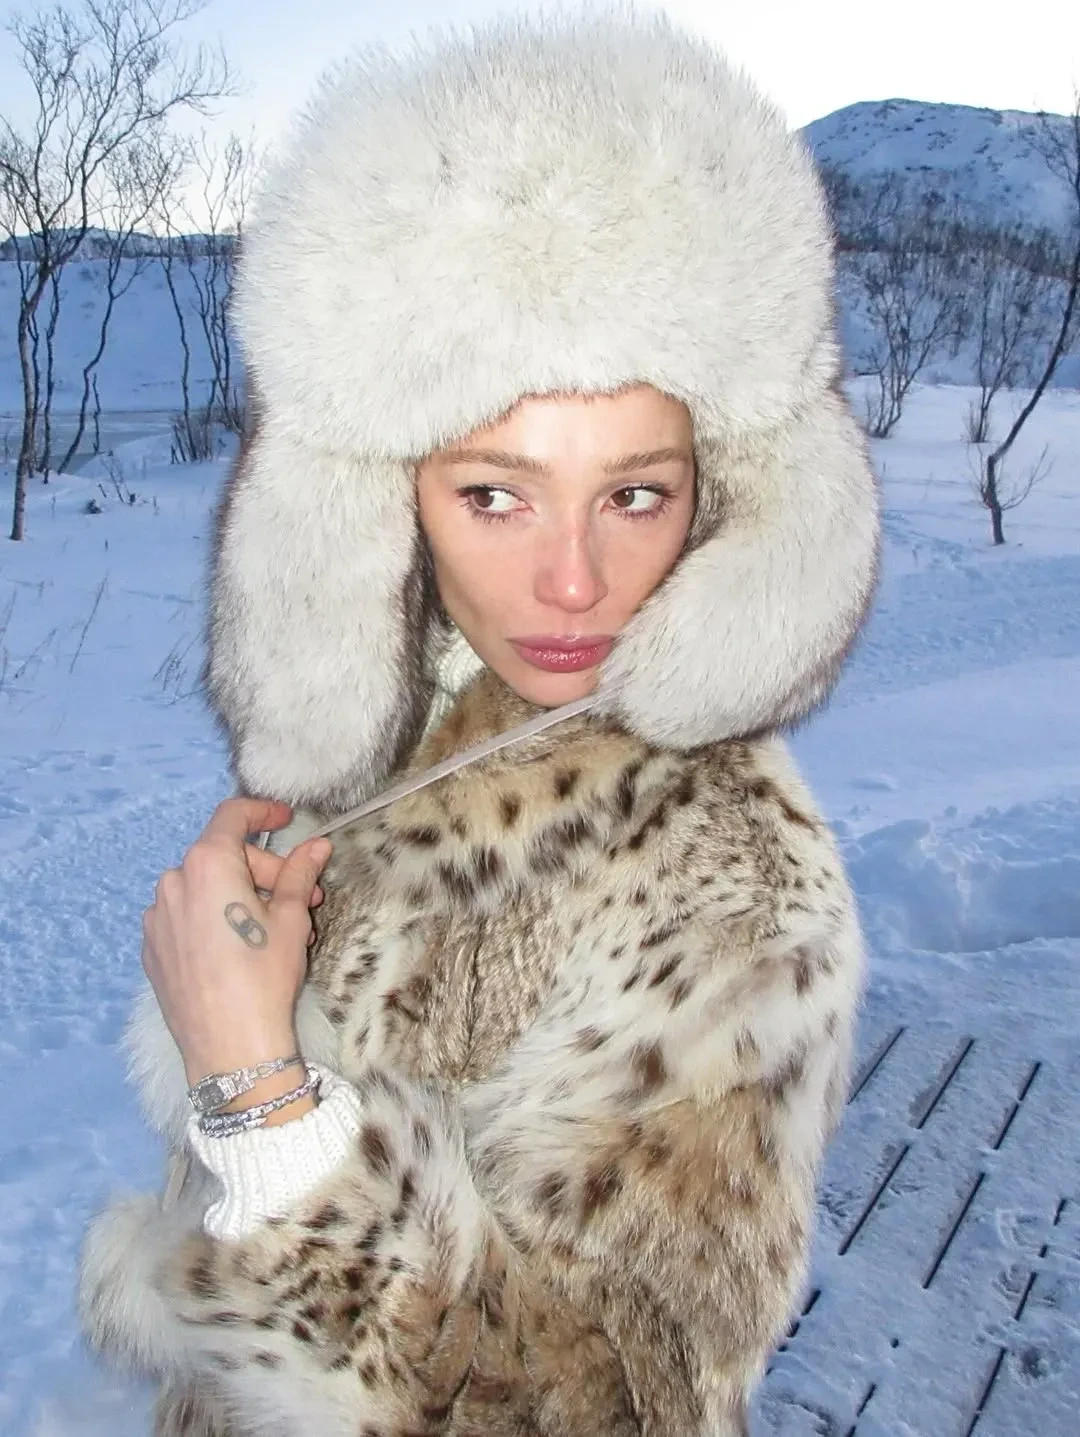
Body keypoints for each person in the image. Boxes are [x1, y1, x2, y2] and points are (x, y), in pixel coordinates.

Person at [79, 10, 879, 1435]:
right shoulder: (393, 742)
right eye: (496, 494)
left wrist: (262, 1099)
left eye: (636, 492)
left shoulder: (733, 888)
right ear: (380, 491)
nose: (573, 582)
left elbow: (626, 1405)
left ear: (729, 491)